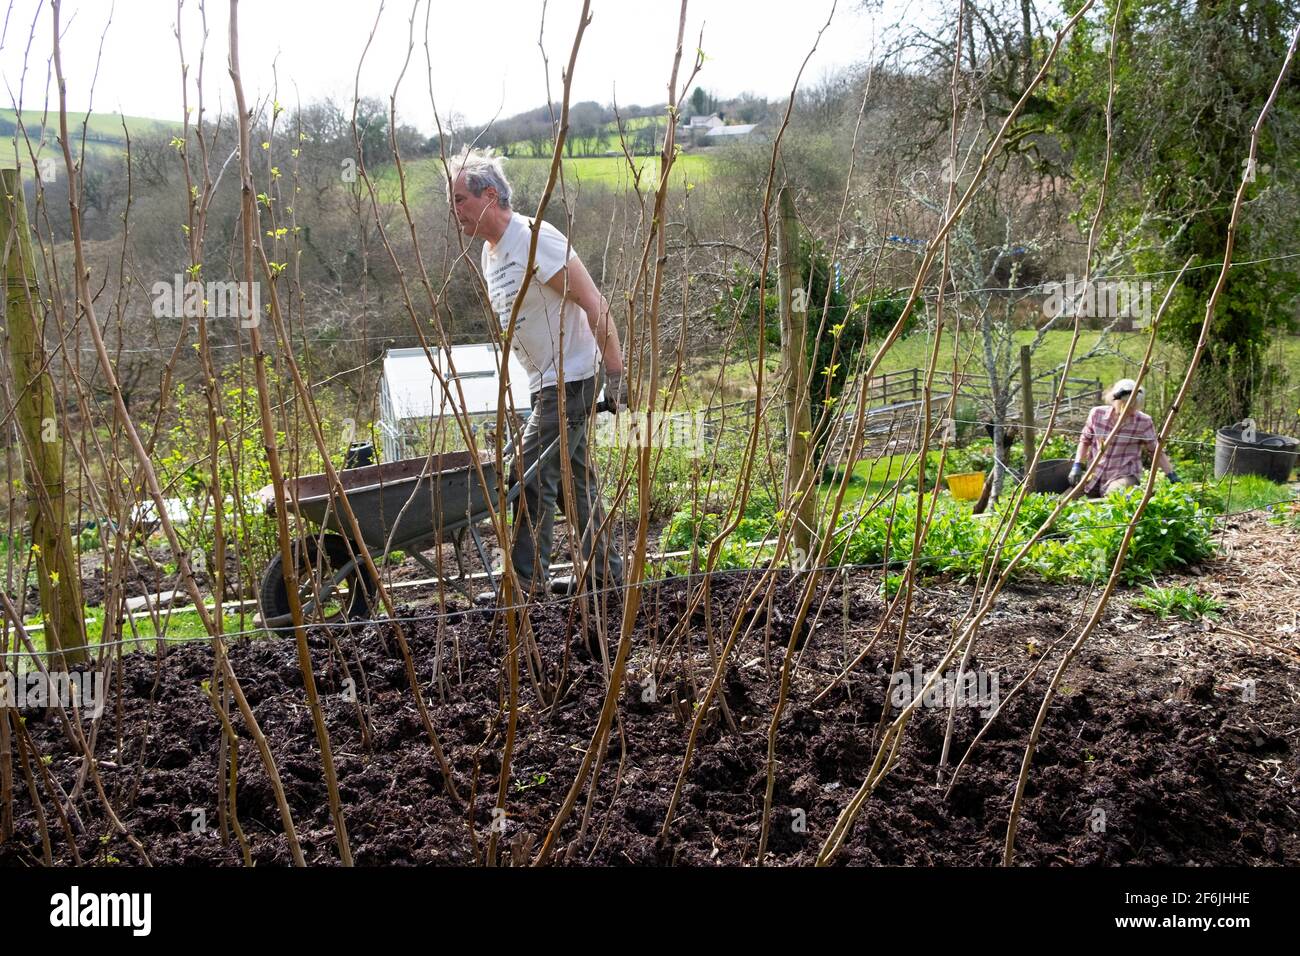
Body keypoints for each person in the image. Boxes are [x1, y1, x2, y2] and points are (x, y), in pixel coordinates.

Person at [447, 150, 626, 602]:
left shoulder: (533, 239)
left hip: (572, 377)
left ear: (490, 195)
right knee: (572, 483)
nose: (455, 210)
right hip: (543, 383)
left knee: (527, 473)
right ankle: (607, 577)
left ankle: (525, 584)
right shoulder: (490, 254)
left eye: (460, 200)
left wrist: (615, 373)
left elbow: (593, 302)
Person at [1068, 378, 1179, 496]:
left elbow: (1156, 452)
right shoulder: (1097, 414)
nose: (1128, 409)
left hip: (1124, 475)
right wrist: (1077, 465)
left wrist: (1171, 475)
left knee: (1114, 494)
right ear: (1115, 400)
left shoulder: (1143, 422)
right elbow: (1085, 441)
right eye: (1124, 404)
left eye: (1132, 407)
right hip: (1095, 473)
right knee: (1069, 497)